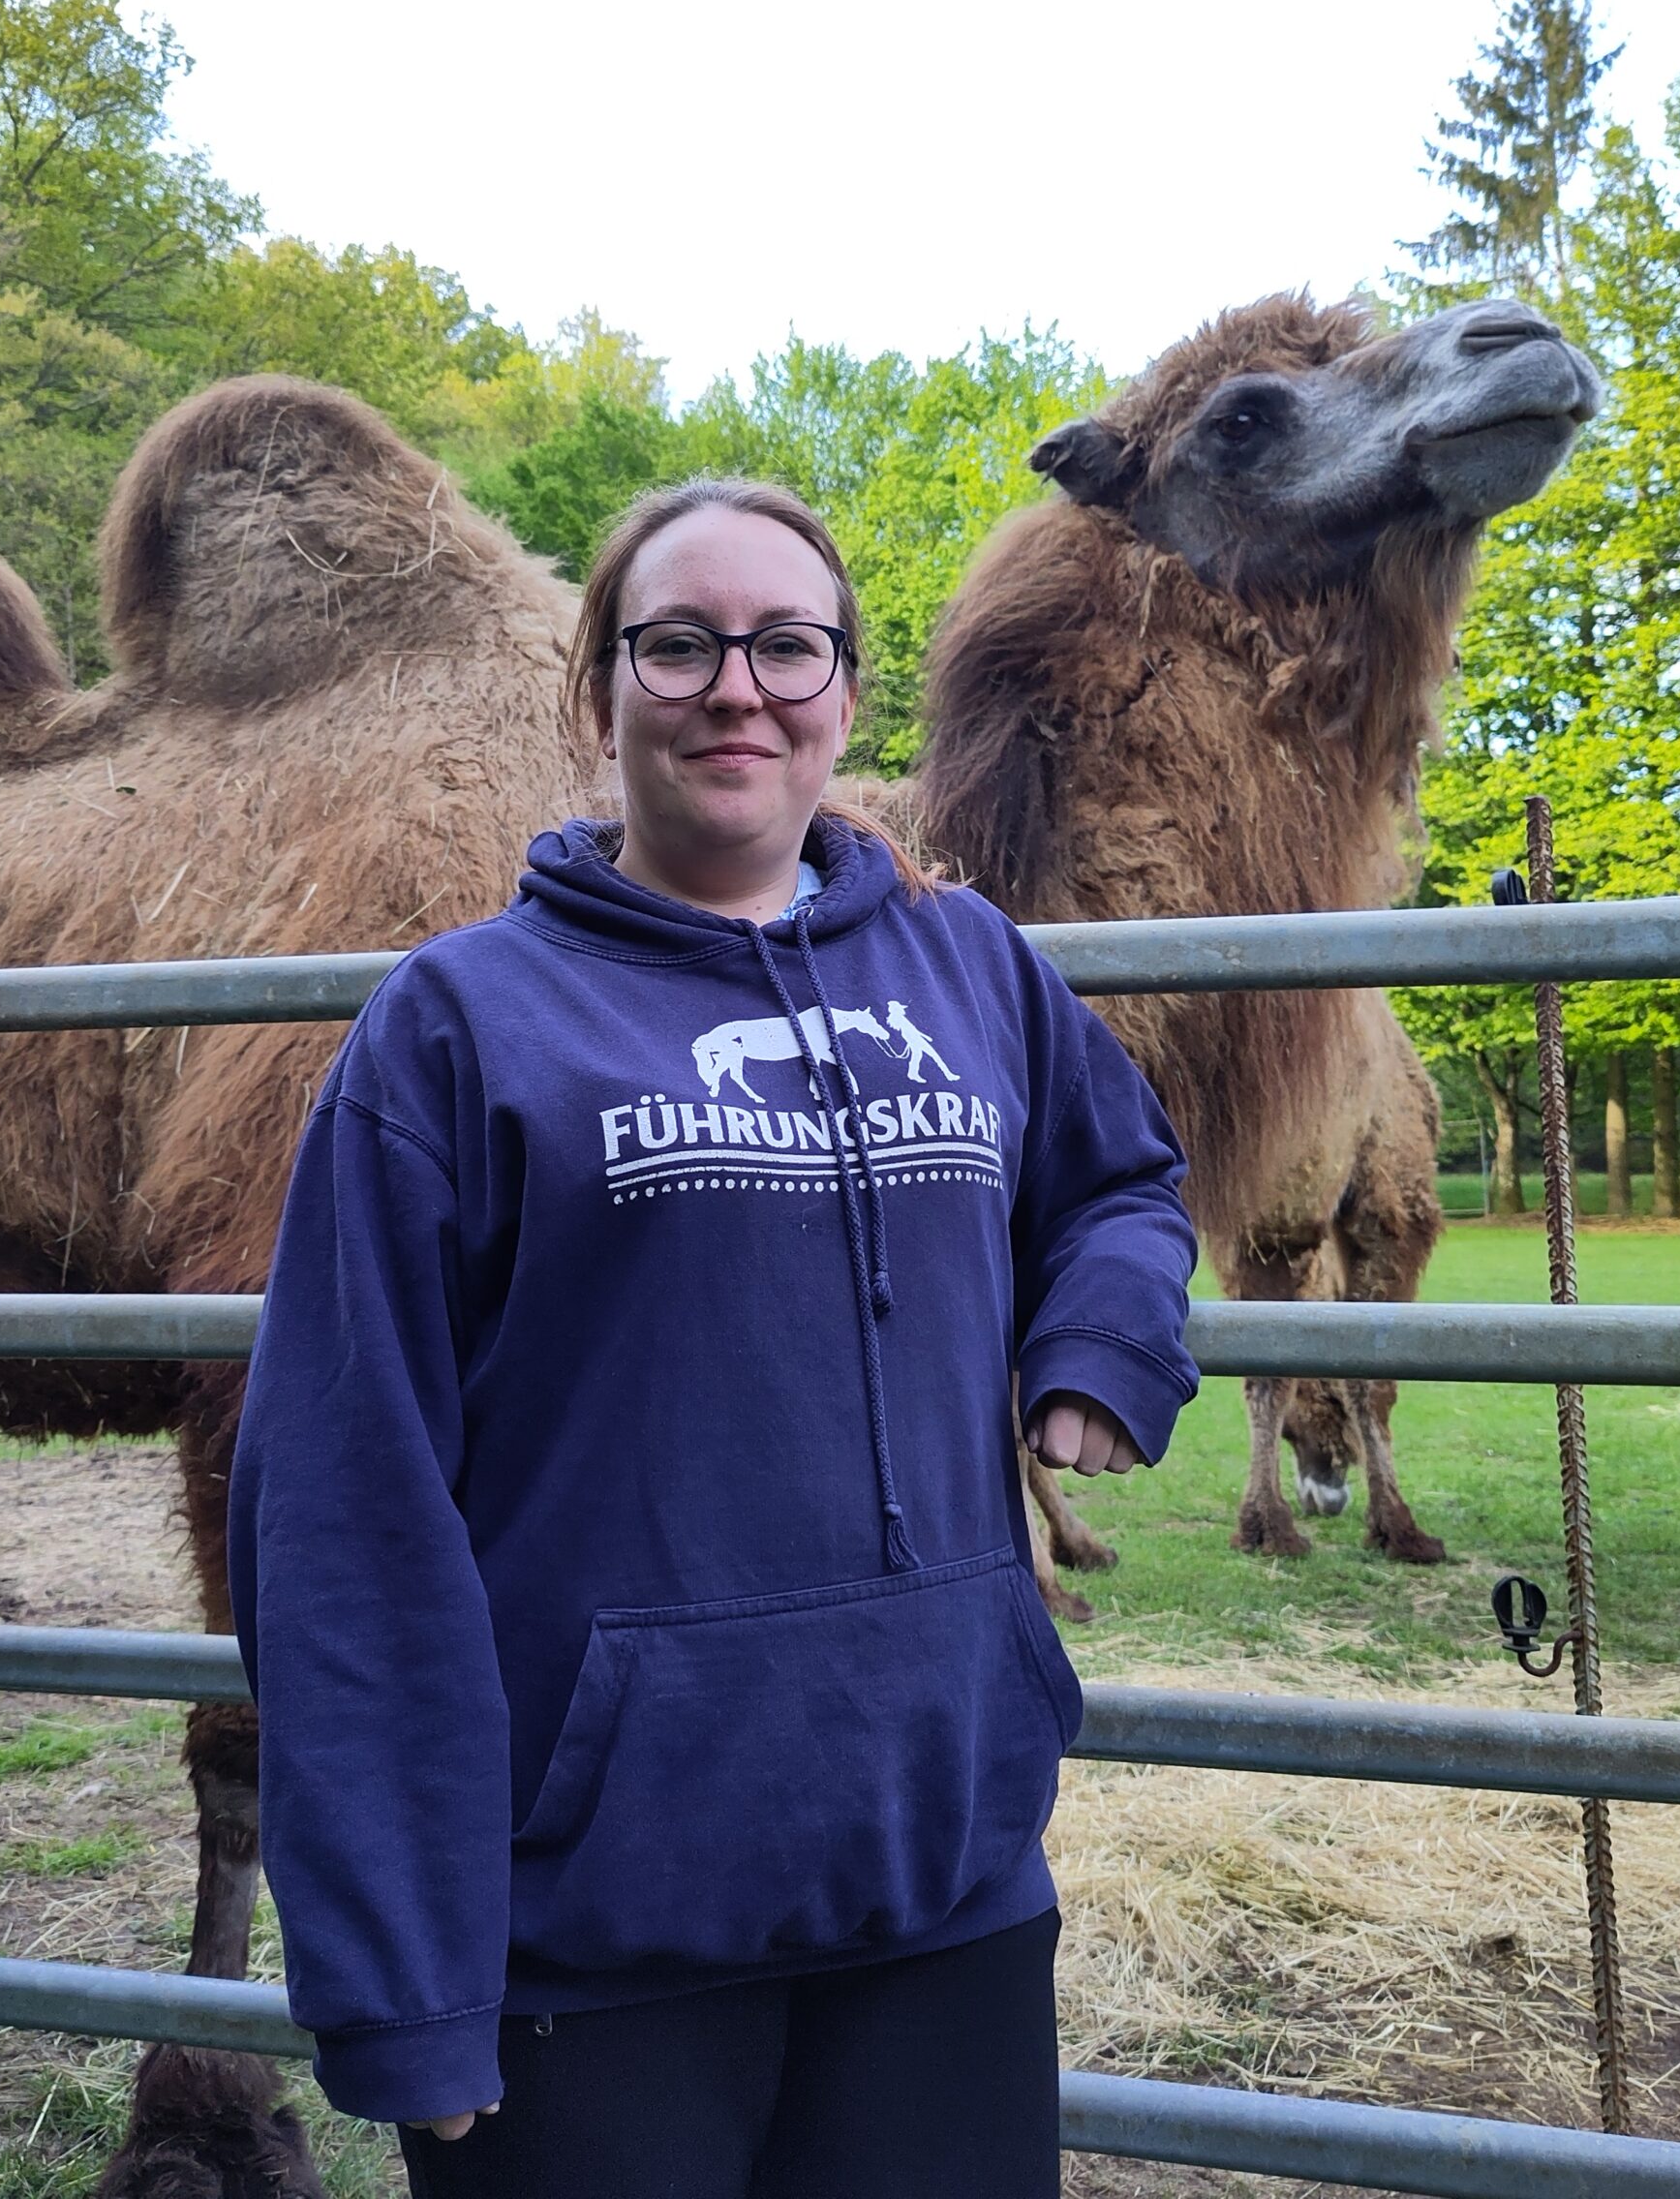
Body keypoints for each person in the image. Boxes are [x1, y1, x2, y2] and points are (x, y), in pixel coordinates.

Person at [227, 475, 1199, 2199]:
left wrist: (1098, 1356)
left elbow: (1119, 1177)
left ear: (846, 691)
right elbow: (342, 1512)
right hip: (592, 1949)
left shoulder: (967, 964)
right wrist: (407, 1994)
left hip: (948, 1892)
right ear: (600, 685)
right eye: (677, 645)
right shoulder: (457, 1028)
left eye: (785, 645)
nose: (734, 687)